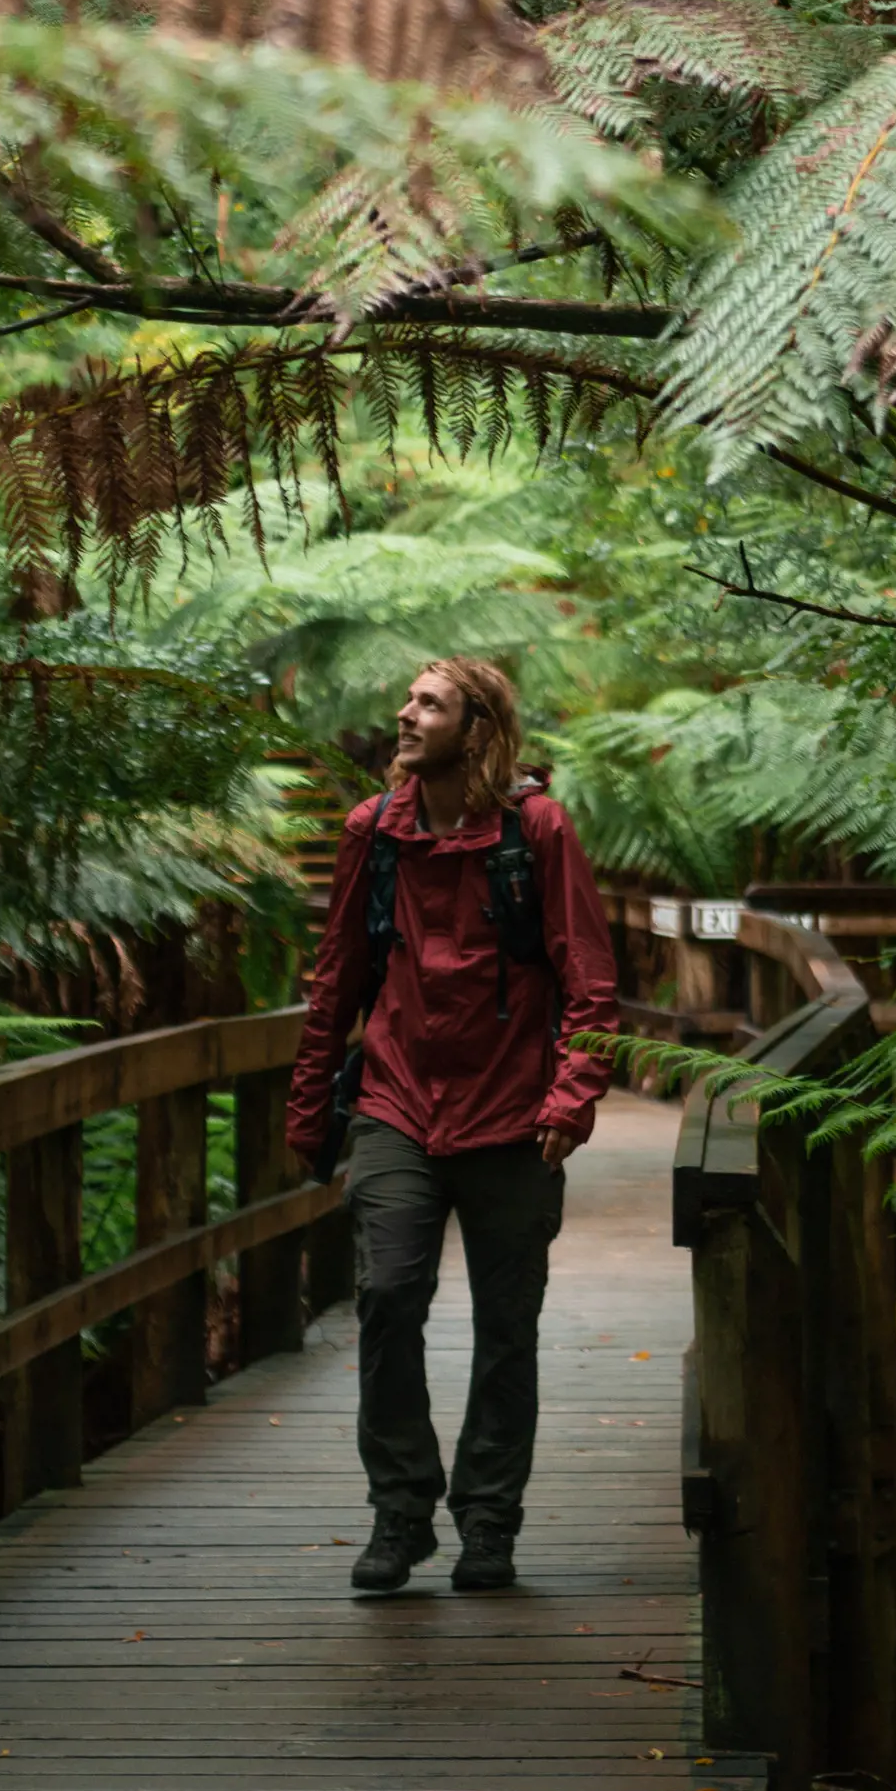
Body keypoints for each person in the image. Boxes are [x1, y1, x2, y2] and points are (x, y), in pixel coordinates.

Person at [286, 658, 619, 1594]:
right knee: (389, 1297)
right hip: (397, 1103)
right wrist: (311, 1106)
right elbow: (336, 980)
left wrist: (571, 1095)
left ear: (475, 729)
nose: (403, 711)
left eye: (428, 702)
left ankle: (487, 1522)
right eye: (407, 697)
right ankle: (399, 1515)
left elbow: (589, 976)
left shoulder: (534, 831)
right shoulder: (373, 833)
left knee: (506, 1325)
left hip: (512, 1115)